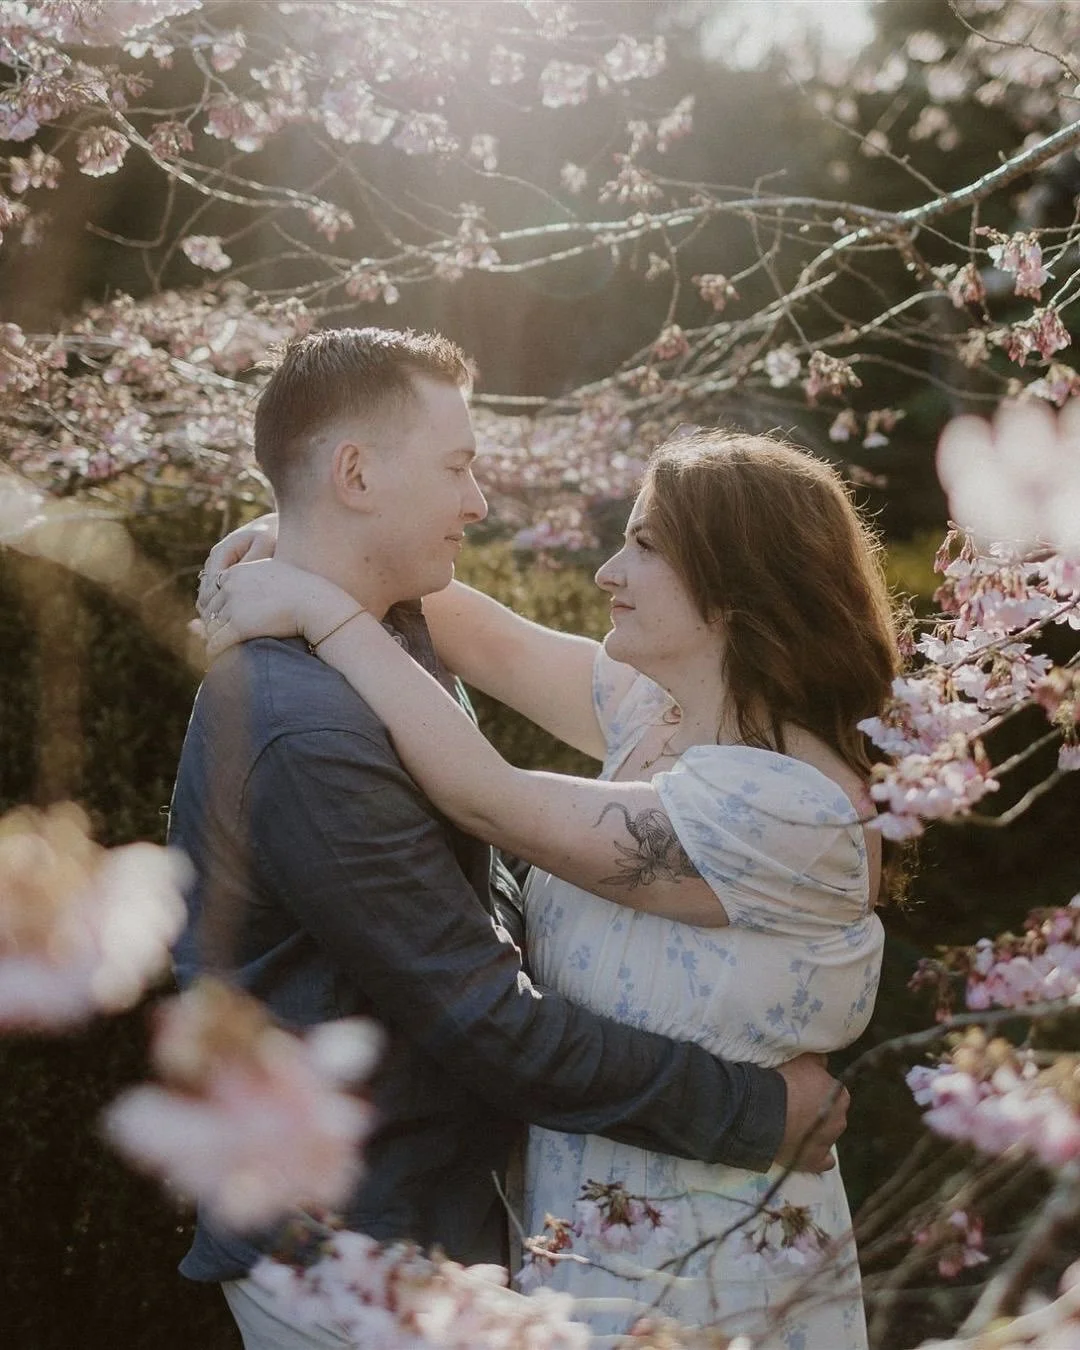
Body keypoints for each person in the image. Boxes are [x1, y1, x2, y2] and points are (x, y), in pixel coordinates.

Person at [173, 326, 849, 1350]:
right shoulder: (309, 721)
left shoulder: (390, 646)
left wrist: (314, 579)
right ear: (356, 473)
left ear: (736, 596)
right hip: (365, 1248)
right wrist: (756, 1110)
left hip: (598, 1230)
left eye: (648, 544)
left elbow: (487, 789)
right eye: (457, 466)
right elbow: (490, 1019)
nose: (483, 502)